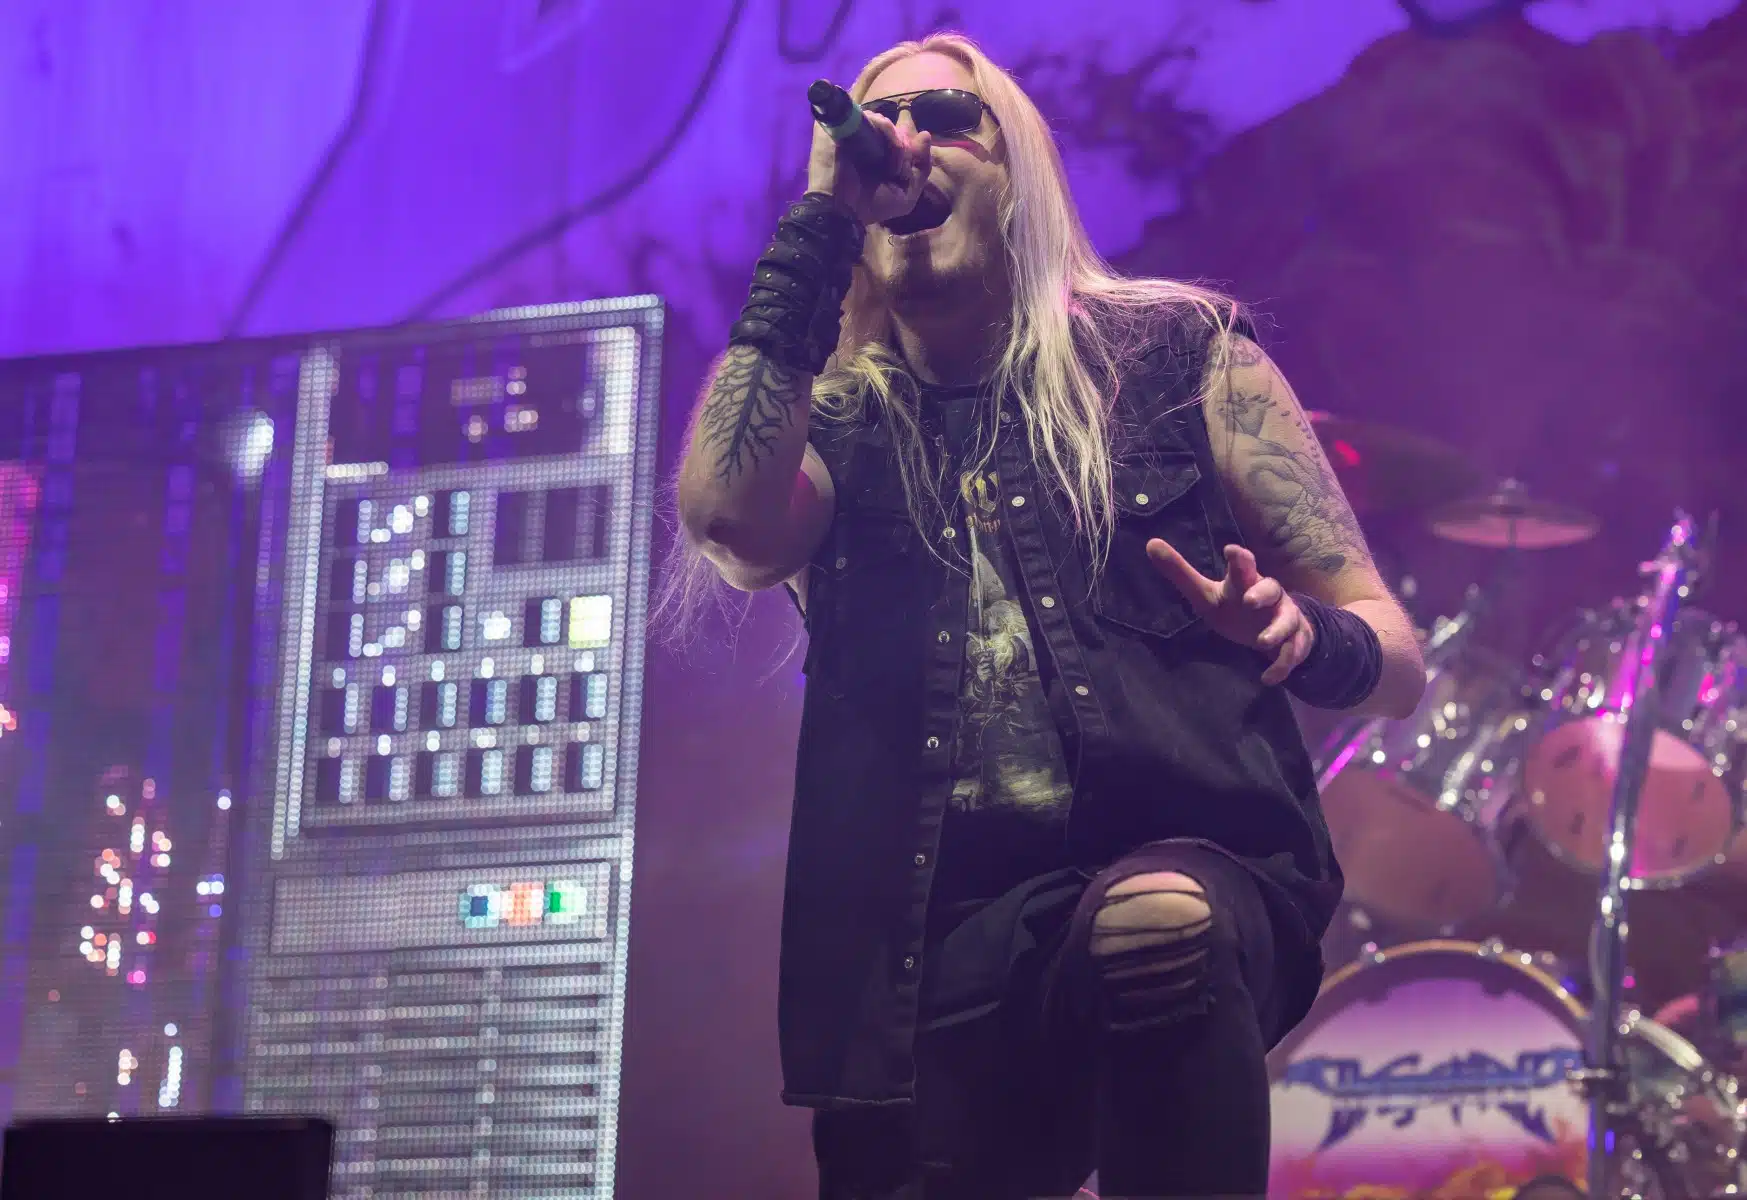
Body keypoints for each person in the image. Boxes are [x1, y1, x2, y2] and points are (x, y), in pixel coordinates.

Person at [672, 31, 1425, 1199]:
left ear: (1017, 167)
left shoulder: (1178, 359)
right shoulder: (837, 422)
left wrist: (1301, 635)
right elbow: (727, 519)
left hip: (1182, 863)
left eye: (945, 118)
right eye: (880, 127)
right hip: (927, 943)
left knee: (1152, 930)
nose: (905, 146)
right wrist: (819, 222)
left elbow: (1395, 657)